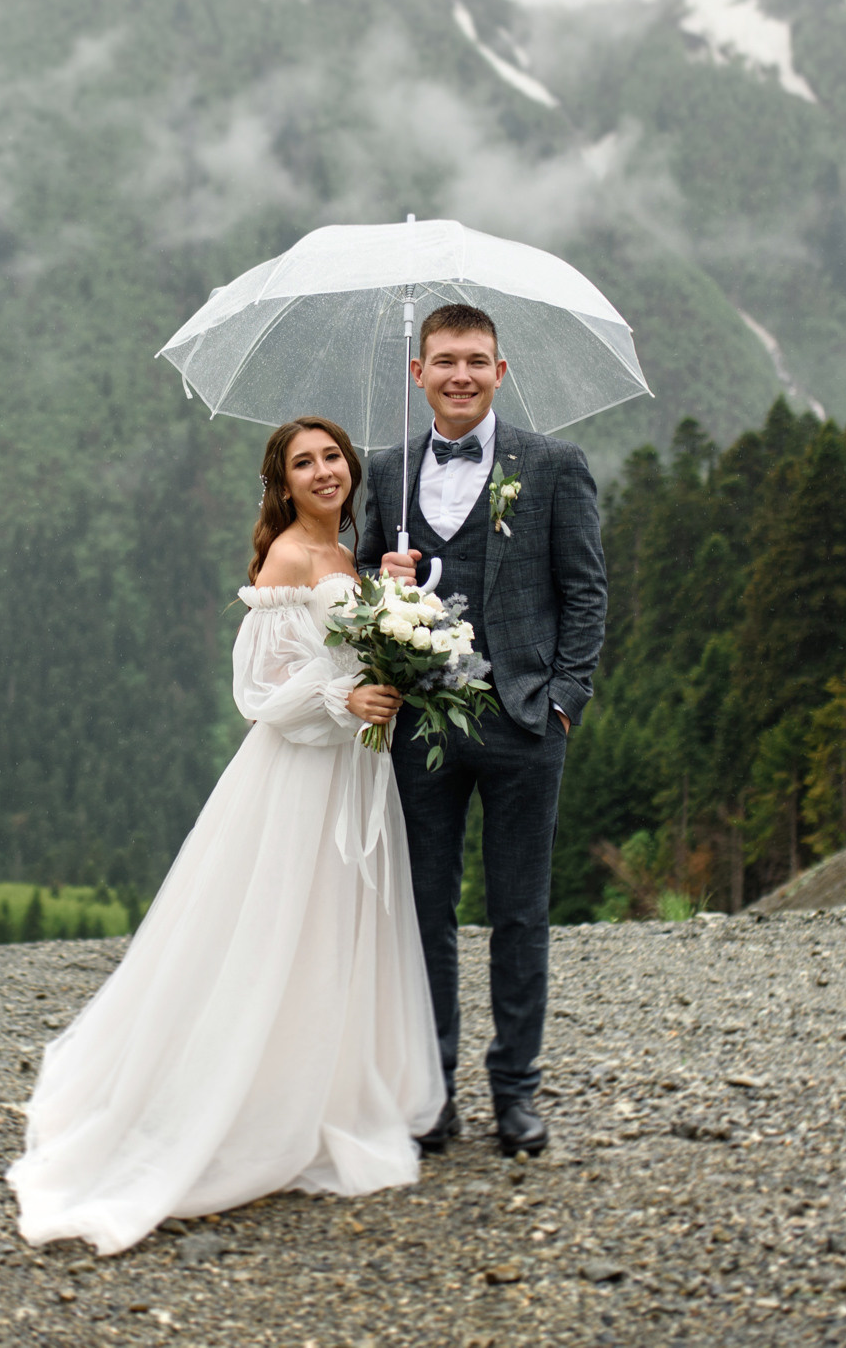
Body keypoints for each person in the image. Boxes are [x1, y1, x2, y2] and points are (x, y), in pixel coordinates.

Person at [7, 416, 445, 1256]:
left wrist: (396, 607)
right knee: (273, 932)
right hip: (301, 778)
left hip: (357, 771)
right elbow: (259, 691)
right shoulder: (287, 556)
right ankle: (239, 1108)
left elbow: (356, 653)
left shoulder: (351, 559)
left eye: (333, 459)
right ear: (282, 483)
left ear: (351, 470)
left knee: (331, 935)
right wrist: (341, 700)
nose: (323, 472)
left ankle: (320, 1096)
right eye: (303, 463)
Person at [355, 302, 606, 1158]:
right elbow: (350, 582)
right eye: (444, 360)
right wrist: (375, 576)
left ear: (501, 373)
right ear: (417, 373)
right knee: (421, 914)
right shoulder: (383, 472)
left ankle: (517, 1094)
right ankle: (432, 1094)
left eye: (477, 360)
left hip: (526, 723)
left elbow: (586, 591)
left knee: (520, 913)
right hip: (420, 725)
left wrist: (566, 697)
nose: (460, 375)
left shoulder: (554, 464)